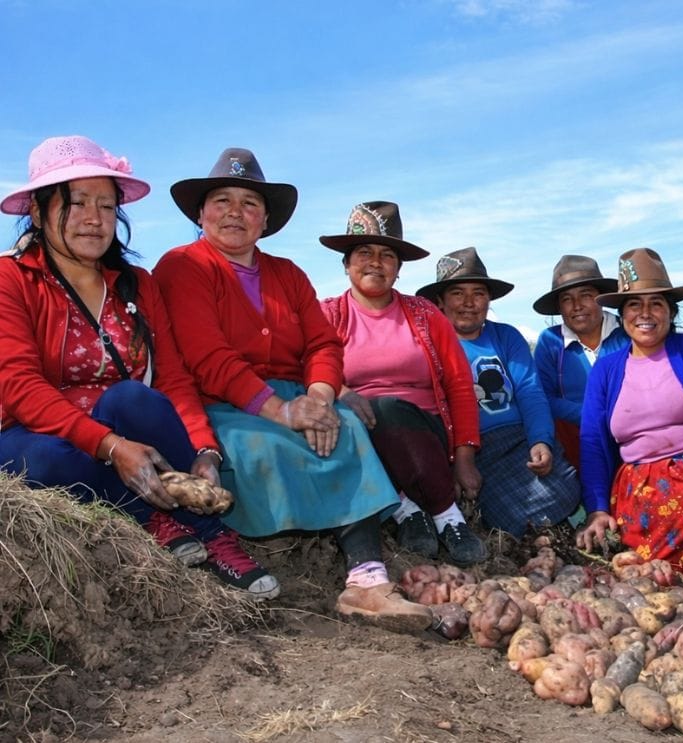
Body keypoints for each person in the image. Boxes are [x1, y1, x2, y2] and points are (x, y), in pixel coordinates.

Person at [154, 149, 430, 631]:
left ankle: (367, 579)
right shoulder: (182, 266)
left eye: (249, 203)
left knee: (344, 427)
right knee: (257, 444)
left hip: (299, 397)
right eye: (222, 200)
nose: (235, 212)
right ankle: (238, 557)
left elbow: (322, 343)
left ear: (265, 220)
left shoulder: (288, 273)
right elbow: (207, 357)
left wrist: (321, 399)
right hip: (224, 401)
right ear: (201, 213)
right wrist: (283, 412)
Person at [0, 136, 277, 598]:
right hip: (41, 433)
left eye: (107, 206)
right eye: (77, 203)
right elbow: (17, 383)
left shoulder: (137, 284)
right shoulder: (11, 279)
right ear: (37, 211)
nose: (94, 219)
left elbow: (171, 377)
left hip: (121, 422)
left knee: (134, 397)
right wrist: (109, 446)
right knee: (45, 461)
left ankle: (209, 533)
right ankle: (148, 516)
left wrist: (204, 452)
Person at [318, 202, 486, 565]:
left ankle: (444, 514)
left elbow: (458, 385)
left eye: (387, 255)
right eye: (364, 253)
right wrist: (342, 391)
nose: (375, 262)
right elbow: (309, 371)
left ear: (398, 269)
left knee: (390, 410)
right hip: (361, 435)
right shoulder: (327, 316)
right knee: (364, 416)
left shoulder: (427, 315)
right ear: (346, 264)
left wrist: (465, 456)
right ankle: (410, 511)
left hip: (425, 431)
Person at [576, 248, 683, 580]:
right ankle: (659, 578)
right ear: (622, 316)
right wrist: (597, 508)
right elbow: (593, 442)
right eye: (634, 305)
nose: (645, 313)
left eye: (656, 303)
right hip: (638, 485)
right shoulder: (607, 370)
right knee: (635, 544)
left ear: (671, 311)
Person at [417, 247, 580, 536]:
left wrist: (540, 440)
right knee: (501, 509)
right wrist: (457, 459)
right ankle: (533, 534)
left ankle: (554, 530)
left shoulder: (505, 336)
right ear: (440, 301)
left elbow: (529, 390)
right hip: (472, 449)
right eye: (457, 293)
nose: (469, 303)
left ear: (488, 300)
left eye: (478, 293)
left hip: (518, 438)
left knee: (565, 482)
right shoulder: (428, 345)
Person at [532, 254, 628, 468]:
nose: (576, 306)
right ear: (559, 307)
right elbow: (542, 396)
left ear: (600, 297)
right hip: (577, 446)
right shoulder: (551, 341)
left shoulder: (628, 332)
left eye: (585, 295)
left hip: (634, 436)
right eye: (567, 299)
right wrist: (591, 416)